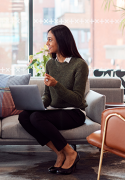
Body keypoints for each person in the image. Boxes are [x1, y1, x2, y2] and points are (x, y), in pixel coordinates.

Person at [18, 25, 88, 175]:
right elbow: (48, 95)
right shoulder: (50, 63)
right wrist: (36, 104)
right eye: (47, 40)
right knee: (24, 116)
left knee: (36, 118)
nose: (47, 44)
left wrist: (57, 85)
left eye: (50, 40)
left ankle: (71, 153)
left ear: (61, 41)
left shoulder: (79, 65)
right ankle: (59, 152)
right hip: (56, 111)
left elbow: (77, 99)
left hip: (74, 112)